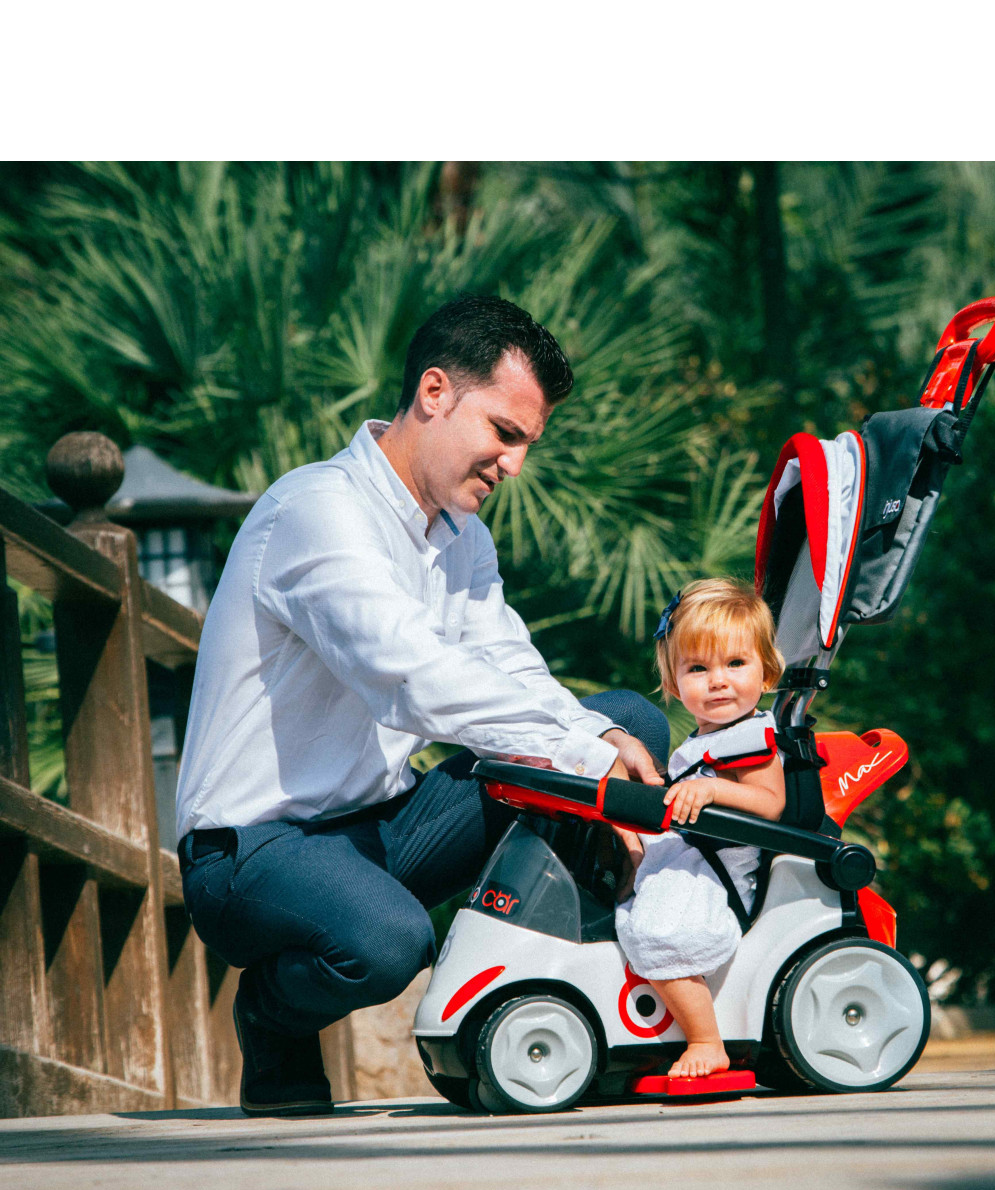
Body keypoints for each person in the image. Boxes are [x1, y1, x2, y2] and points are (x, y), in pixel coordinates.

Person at [175, 294, 669, 1116]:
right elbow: (411, 676)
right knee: (389, 941)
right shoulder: (316, 510)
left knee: (631, 724)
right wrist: (584, 764)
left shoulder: (463, 537)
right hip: (253, 851)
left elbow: (510, 667)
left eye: (526, 443)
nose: (514, 465)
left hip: (385, 828)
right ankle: (270, 1015)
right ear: (435, 392)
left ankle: (568, 982)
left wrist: (598, 741)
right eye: (504, 433)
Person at [614, 578, 786, 1079]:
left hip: (716, 875)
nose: (718, 681)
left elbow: (770, 803)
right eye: (698, 669)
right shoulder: (704, 740)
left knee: (661, 933)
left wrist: (713, 790)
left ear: (766, 673)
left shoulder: (752, 737)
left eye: (735, 663)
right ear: (674, 685)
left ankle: (707, 1041)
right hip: (690, 859)